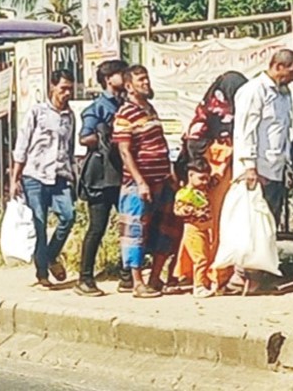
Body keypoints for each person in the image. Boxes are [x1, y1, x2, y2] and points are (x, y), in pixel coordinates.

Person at [227, 50, 293, 293]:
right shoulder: (253, 91)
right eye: (292, 71)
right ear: (278, 66)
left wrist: (287, 164)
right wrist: (249, 166)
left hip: (276, 168)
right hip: (257, 170)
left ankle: (259, 275)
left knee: (268, 225)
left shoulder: (283, 93)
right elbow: (245, 130)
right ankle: (243, 277)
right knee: (253, 225)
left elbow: (282, 131)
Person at [173, 71, 248, 289]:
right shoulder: (208, 116)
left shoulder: (239, 112)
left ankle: (216, 272)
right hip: (211, 173)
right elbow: (195, 142)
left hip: (230, 171)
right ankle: (207, 273)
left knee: (225, 222)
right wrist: (209, 168)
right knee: (212, 223)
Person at [113, 65, 178, 299]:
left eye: (147, 78)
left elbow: (159, 144)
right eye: (141, 79)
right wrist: (140, 181)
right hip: (138, 185)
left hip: (162, 181)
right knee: (135, 231)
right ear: (129, 86)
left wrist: (170, 173)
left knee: (165, 230)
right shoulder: (125, 114)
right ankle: (137, 282)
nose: (146, 83)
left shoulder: (150, 109)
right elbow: (125, 151)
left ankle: (155, 278)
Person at [11, 69, 77, 288]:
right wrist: (15, 177)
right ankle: (42, 273)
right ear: (52, 87)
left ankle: (50, 255)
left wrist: (73, 176)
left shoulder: (70, 116)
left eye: (70, 89)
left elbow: (69, 148)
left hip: (60, 176)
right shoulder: (37, 112)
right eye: (63, 88)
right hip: (35, 175)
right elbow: (22, 144)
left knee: (68, 216)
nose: (67, 93)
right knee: (39, 223)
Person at [76, 59, 129, 297]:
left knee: (129, 224)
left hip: (120, 172)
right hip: (100, 174)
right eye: (121, 74)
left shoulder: (124, 105)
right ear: (108, 79)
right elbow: (84, 137)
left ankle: (127, 275)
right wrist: (106, 136)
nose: (125, 78)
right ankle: (85, 278)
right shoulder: (97, 108)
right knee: (97, 227)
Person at [173, 158, 215, 298]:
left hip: (205, 229)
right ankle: (199, 286)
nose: (205, 182)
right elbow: (177, 210)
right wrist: (190, 210)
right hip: (193, 229)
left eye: (207, 178)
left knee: (206, 257)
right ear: (190, 175)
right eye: (201, 178)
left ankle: (202, 281)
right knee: (200, 259)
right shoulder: (185, 193)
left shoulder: (203, 190)